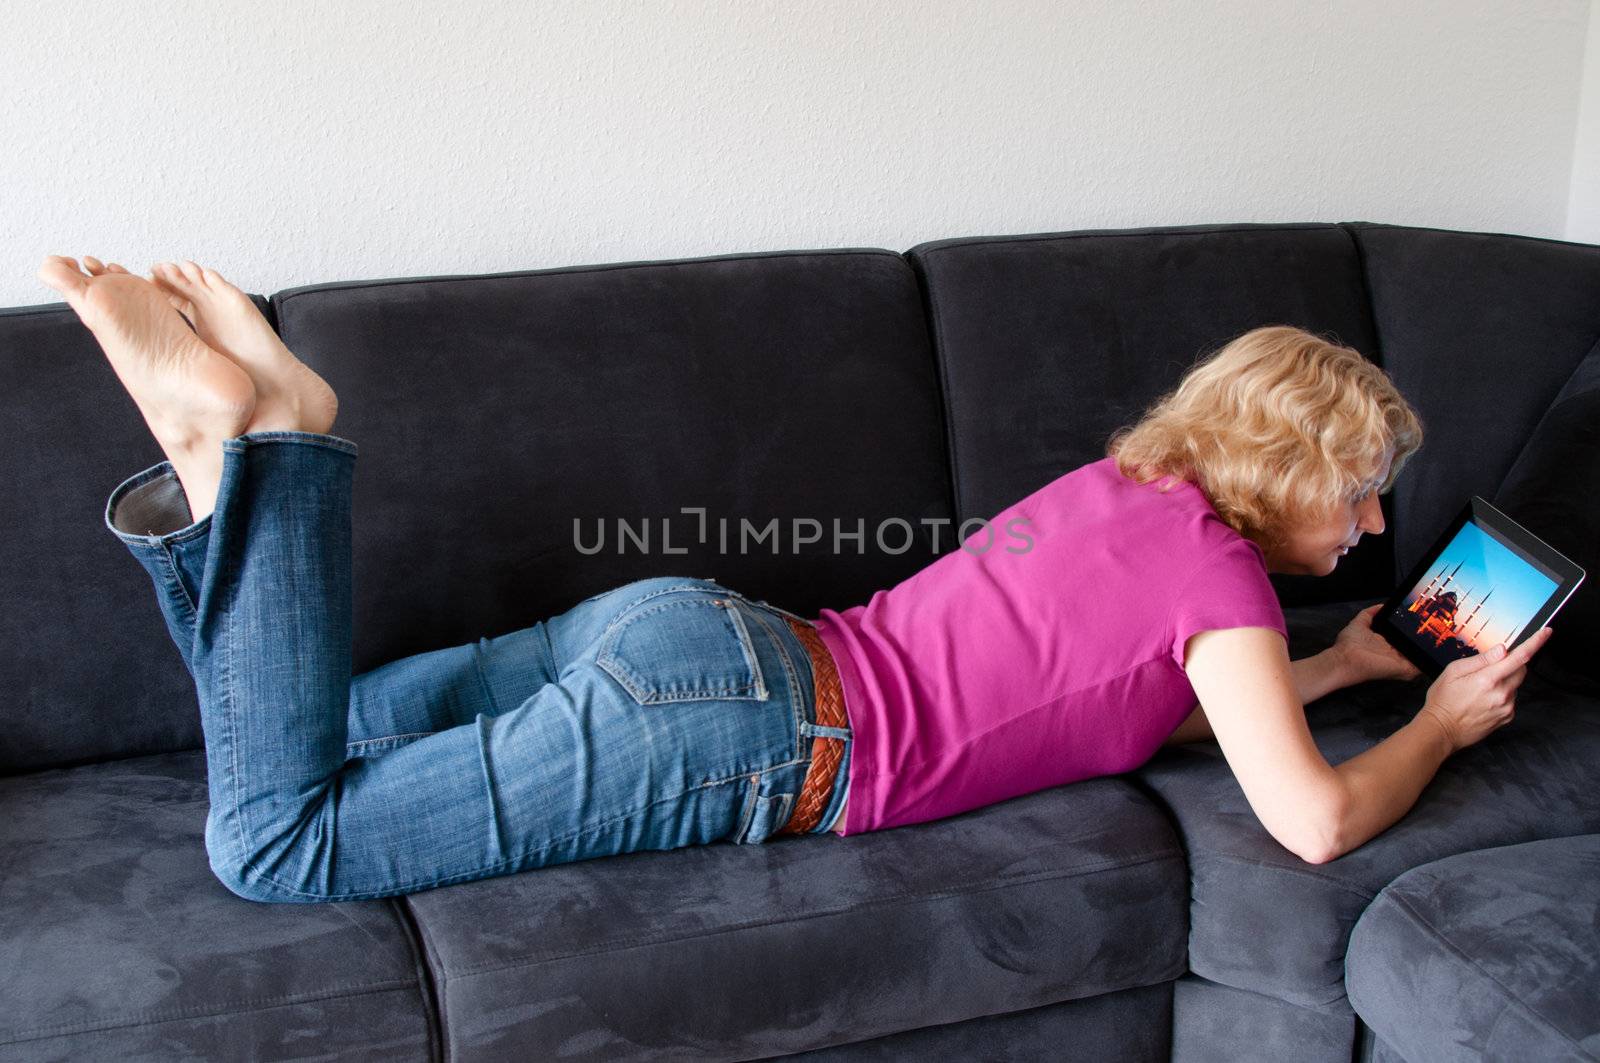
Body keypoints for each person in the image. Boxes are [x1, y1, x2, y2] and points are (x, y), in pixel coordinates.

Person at [38, 254, 1553, 903]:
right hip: (750, 736)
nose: (1367, 529)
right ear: (1288, 473)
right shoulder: (1221, 582)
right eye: (1360, 495)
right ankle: (260, 456)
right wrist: (1441, 726)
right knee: (277, 847)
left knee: (301, 733)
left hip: (693, 633)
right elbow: (1310, 820)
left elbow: (1150, 705)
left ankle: (245, 456)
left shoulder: (1124, 489)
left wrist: (1352, 670)